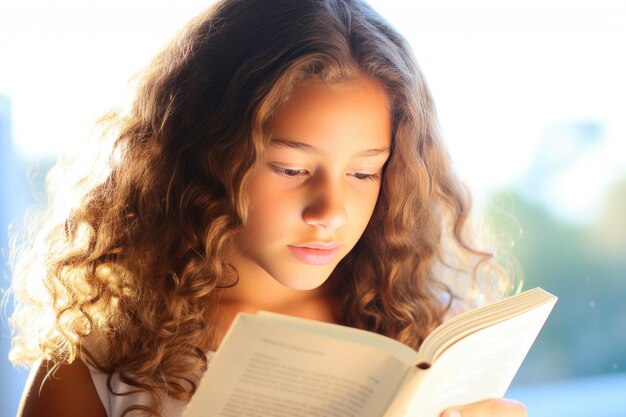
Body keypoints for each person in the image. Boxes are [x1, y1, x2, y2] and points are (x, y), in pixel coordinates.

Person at [9, 0, 526, 416]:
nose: (330, 211)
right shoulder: (95, 367)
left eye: (364, 173)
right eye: (290, 169)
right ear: (204, 154)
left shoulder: (425, 332)